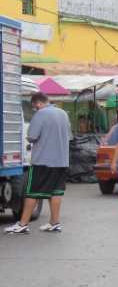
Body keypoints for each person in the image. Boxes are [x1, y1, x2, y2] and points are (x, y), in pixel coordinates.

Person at [5, 92, 72, 234]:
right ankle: (54, 223)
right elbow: (69, 136)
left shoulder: (41, 114)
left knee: (31, 193)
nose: (35, 109)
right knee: (56, 192)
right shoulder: (63, 114)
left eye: (35, 106)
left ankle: (23, 224)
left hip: (43, 161)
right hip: (62, 161)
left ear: (39, 103)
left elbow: (32, 137)